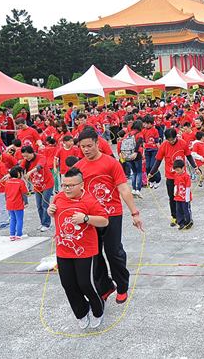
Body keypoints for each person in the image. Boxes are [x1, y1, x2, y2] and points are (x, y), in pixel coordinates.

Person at [73, 127, 144, 304]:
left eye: (89, 145)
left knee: (114, 252)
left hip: (112, 214)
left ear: (98, 143)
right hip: (91, 217)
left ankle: (122, 286)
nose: (86, 149)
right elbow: (71, 192)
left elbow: (123, 188)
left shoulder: (111, 163)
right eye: (83, 147)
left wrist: (134, 213)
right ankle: (105, 287)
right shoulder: (78, 167)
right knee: (94, 255)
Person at [47, 168, 109, 330]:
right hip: (63, 249)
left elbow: (104, 221)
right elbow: (55, 214)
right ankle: (81, 312)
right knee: (68, 284)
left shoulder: (89, 200)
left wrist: (86, 218)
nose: (66, 189)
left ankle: (98, 308)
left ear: (81, 185)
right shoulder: (59, 197)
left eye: (71, 185)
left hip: (85, 250)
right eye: (64, 185)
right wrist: (50, 211)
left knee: (85, 284)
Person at [21, 145, 55, 232]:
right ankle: (42, 222)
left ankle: (47, 224)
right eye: (24, 156)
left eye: (27, 156)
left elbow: (40, 166)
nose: (26, 158)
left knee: (45, 204)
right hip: (37, 185)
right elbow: (19, 168)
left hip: (47, 183)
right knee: (39, 205)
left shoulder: (41, 157)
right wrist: (10, 174)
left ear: (32, 153)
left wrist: (30, 172)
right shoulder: (25, 161)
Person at [4, 165, 28, 240]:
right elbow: (24, 193)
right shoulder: (20, 182)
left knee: (12, 219)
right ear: (18, 173)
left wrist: (7, 201)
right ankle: (19, 234)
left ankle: (12, 234)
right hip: (18, 204)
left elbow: (5, 194)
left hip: (9, 203)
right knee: (19, 219)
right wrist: (26, 202)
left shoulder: (7, 182)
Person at [173, 159, 193, 229]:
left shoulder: (186, 176)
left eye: (178, 170)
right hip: (178, 197)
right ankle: (181, 222)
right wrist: (175, 191)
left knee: (186, 209)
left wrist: (187, 198)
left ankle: (188, 222)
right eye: (176, 170)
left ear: (183, 168)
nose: (177, 171)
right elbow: (175, 184)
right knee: (179, 210)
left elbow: (188, 187)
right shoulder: (176, 175)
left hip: (185, 197)